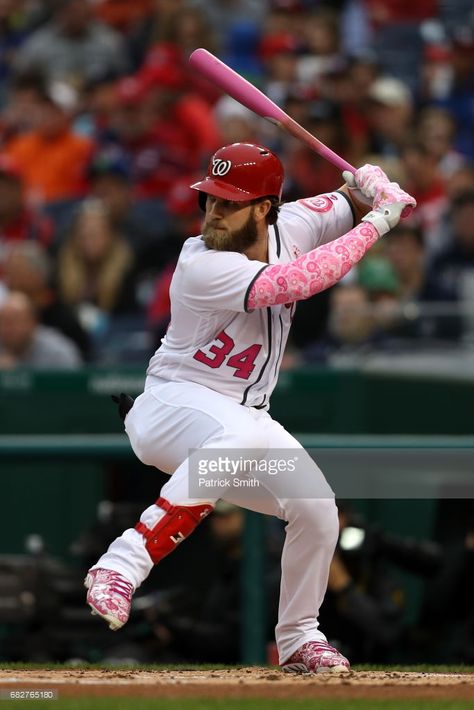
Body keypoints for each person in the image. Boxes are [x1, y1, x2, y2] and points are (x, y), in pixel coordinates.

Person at [85, 142, 415, 674]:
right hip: (173, 405)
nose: (213, 212)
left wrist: (370, 183)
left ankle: (299, 639)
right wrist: (379, 221)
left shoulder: (298, 221)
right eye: (210, 199)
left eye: (228, 202)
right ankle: (122, 564)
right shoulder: (200, 262)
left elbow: (346, 199)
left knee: (316, 509)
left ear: (265, 208)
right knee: (241, 434)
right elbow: (299, 280)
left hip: (244, 420)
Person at [0, 290, 82, 369]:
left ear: (32, 322)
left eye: (14, 322)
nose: (8, 329)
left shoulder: (57, 352)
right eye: (3, 322)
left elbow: (74, 381)